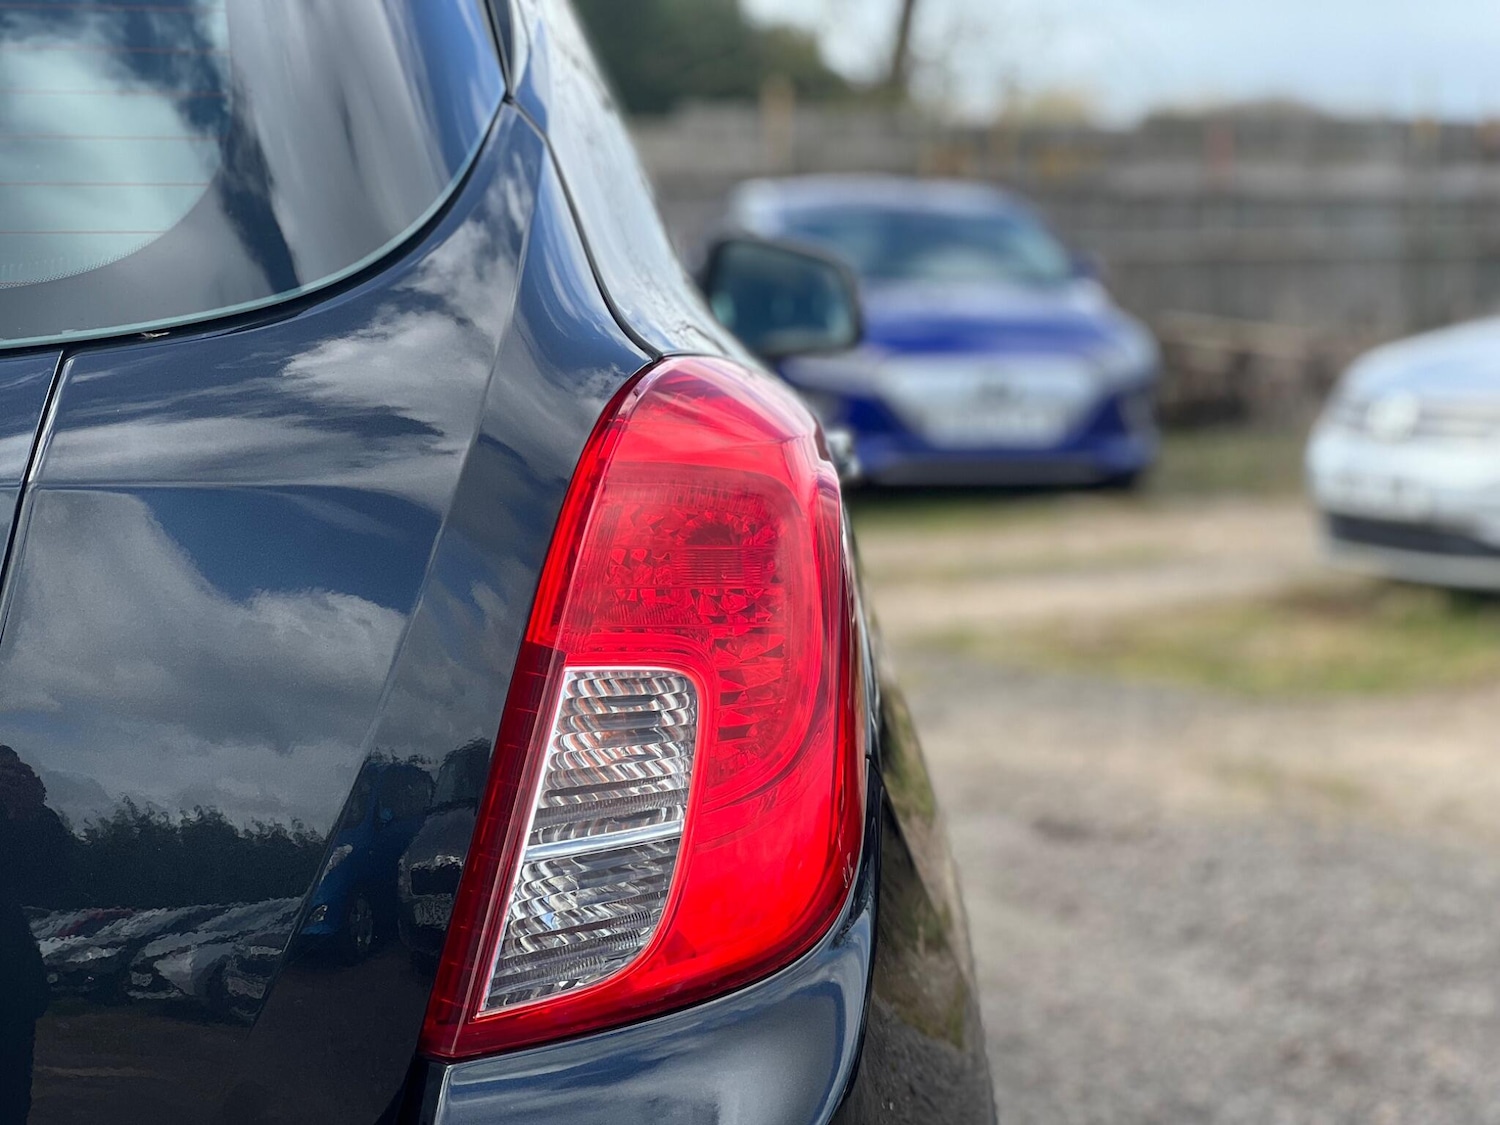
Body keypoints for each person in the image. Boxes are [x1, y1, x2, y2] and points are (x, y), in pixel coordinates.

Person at [0, 746, 73, 1124]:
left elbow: (54, 882)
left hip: (8, 989)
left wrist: (27, 816)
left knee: (9, 1100)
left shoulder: (21, 817)